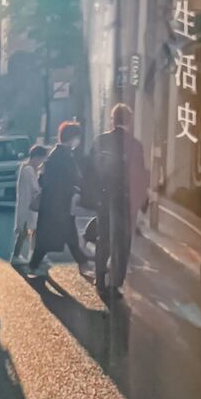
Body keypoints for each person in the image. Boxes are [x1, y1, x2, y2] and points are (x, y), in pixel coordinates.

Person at [90, 103, 149, 297]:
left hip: (104, 198)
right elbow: (139, 176)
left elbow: (90, 171)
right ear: (130, 121)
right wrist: (142, 203)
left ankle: (100, 278)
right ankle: (115, 284)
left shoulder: (100, 141)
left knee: (103, 238)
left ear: (112, 120)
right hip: (125, 201)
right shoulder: (135, 145)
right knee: (122, 242)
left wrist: (95, 197)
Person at [28, 121, 91, 276]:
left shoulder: (57, 154)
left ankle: (82, 263)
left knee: (64, 237)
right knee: (58, 238)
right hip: (58, 206)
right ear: (72, 138)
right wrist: (79, 188)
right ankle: (34, 265)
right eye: (77, 137)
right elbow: (71, 178)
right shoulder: (63, 156)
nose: (78, 141)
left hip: (54, 205)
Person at [11, 144, 47, 267]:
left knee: (29, 230)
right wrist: (41, 176)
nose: (41, 163)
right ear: (36, 157)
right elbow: (35, 188)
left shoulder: (25, 167)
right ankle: (17, 256)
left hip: (27, 204)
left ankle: (32, 254)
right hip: (29, 205)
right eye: (41, 159)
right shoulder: (29, 170)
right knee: (25, 231)